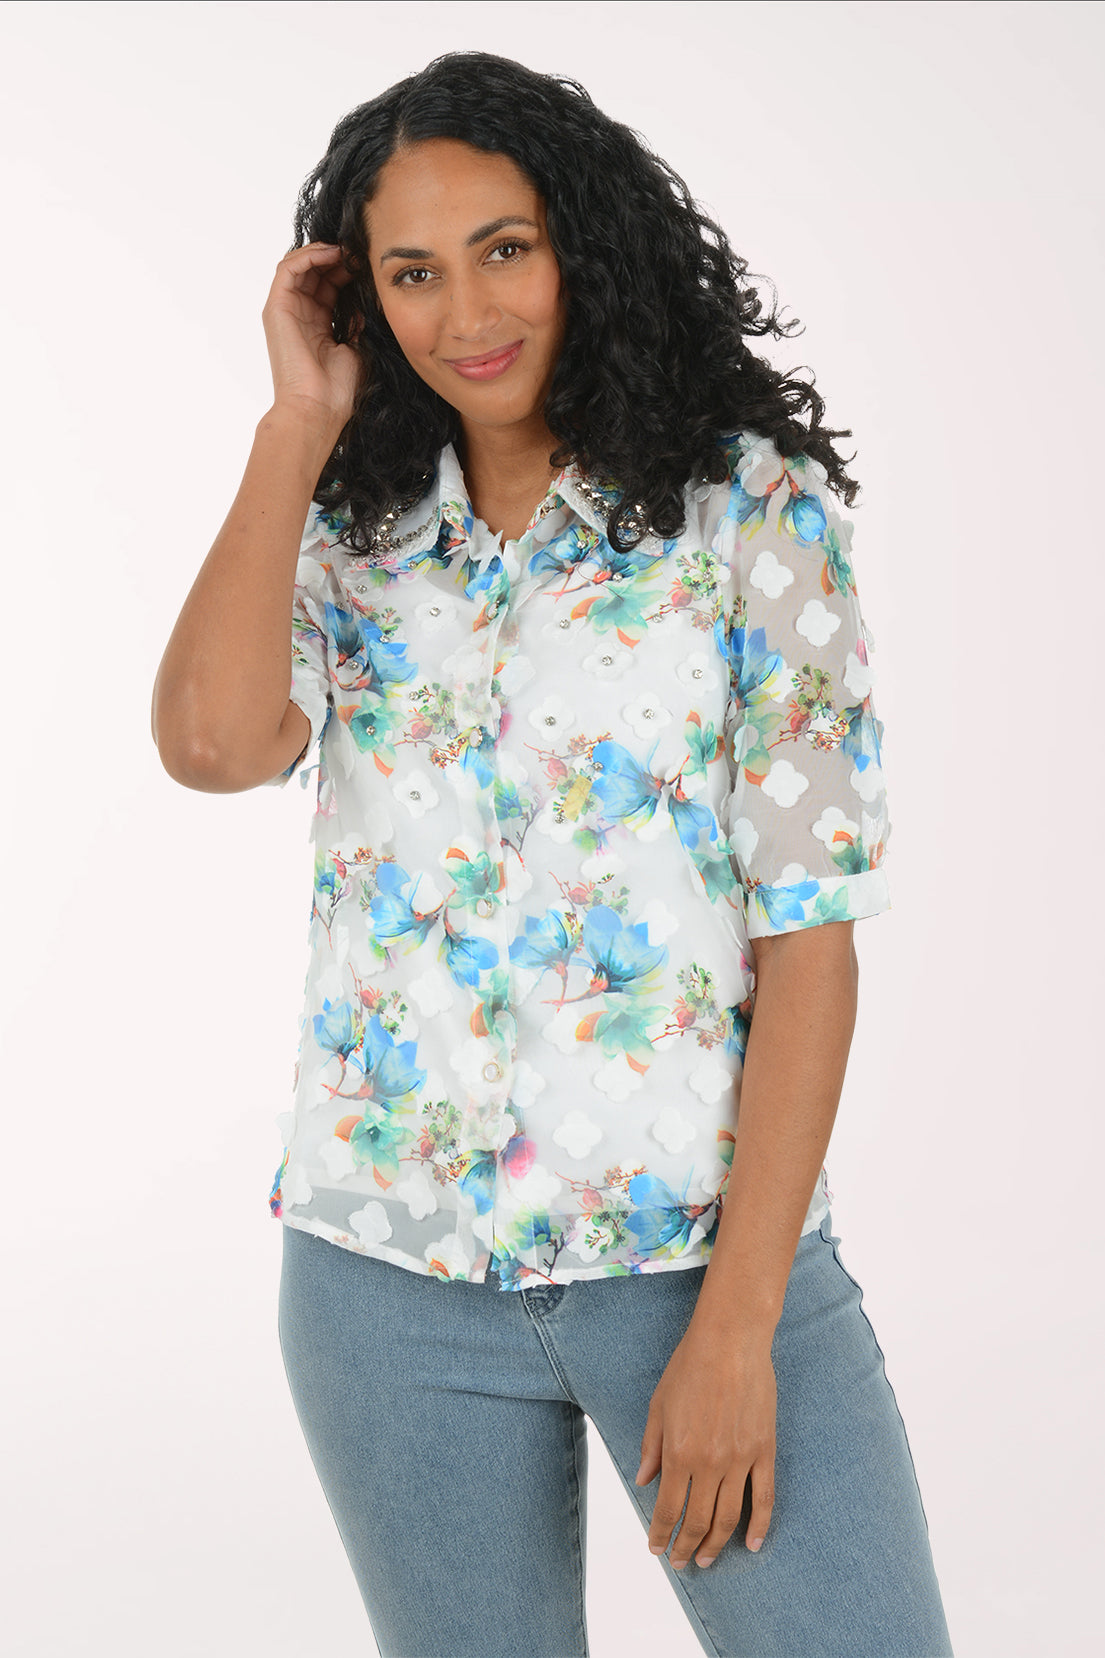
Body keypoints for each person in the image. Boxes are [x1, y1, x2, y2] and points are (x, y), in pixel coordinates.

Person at [151, 50, 953, 1658]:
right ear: (362, 300)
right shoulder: (352, 532)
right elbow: (214, 746)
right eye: (412, 273)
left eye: (504, 248)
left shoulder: (747, 513)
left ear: (583, 243)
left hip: (695, 1267)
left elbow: (811, 934)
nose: (466, 312)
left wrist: (735, 1329)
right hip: (389, 1275)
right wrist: (291, 430)